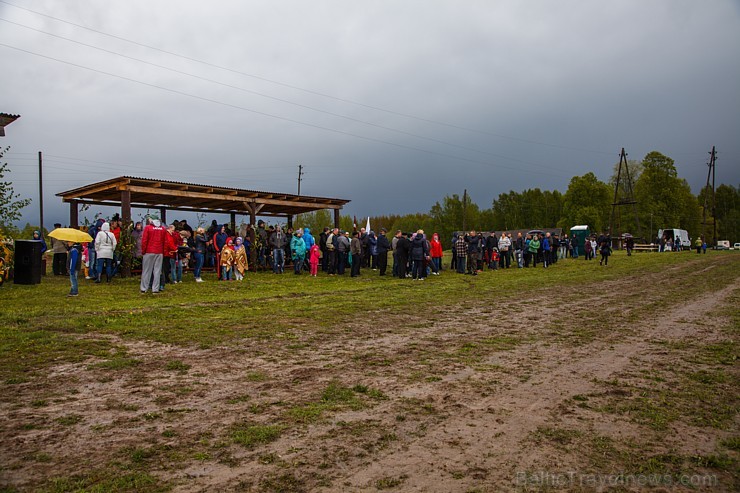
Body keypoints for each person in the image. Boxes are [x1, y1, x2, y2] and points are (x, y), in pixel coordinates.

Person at [140, 218, 166, 294]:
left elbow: (144, 240)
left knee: (146, 270)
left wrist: (143, 251)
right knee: (157, 271)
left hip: (149, 251)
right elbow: (165, 241)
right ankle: (155, 289)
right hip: (159, 251)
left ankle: (144, 288)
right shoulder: (163, 229)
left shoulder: (148, 228)